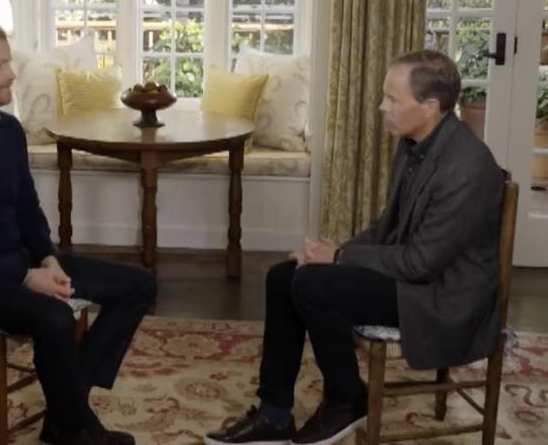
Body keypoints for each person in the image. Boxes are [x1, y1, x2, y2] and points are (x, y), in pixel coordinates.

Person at [205, 49, 504, 445]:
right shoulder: (415, 144)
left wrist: (340, 259)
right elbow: (386, 228)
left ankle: (347, 398)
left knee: (314, 287)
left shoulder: (467, 167)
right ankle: (275, 414)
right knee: (286, 277)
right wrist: (327, 254)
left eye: (392, 99)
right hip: (416, 277)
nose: (382, 107)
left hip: (442, 297)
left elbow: (421, 263)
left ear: (430, 106)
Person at [0, 19, 156, 445]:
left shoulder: (8, 131)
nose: (12, 73)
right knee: (55, 318)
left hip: (19, 263)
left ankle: (67, 409)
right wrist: (25, 277)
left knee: (139, 285)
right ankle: (74, 430)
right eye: (1, 64)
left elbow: (27, 208)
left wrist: (48, 259)